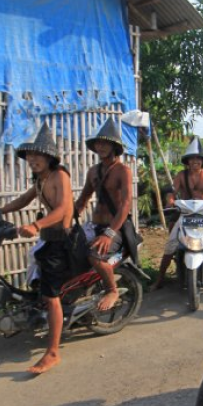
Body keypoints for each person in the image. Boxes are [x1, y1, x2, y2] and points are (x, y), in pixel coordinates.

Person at [0, 122, 74, 374]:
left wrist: (35, 224)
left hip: (62, 241)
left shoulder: (59, 176)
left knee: (51, 295)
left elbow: (63, 209)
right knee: (37, 281)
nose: (32, 159)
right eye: (29, 155)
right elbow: (23, 200)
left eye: (36, 155)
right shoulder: (40, 179)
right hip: (48, 238)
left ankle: (53, 353)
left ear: (49, 156)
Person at [151, 136, 203, 290]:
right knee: (170, 246)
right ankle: (160, 279)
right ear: (187, 161)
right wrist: (170, 199)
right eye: (192, 159)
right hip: (185, 213)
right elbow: (172, 190)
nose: (195, 162)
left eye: (198, 159)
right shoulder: (181, 175)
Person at [75, 117, 133, 312]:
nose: (100, 146)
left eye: (105, 143)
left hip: (115, 227)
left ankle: (112, 290)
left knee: (95, 256)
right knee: (66, 249)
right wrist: (64, 221)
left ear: (114, 146)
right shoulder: (93, 171)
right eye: (98, 142)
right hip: (94, 225)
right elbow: (82, 200)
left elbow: (126, 205)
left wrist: (109, 233)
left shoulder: (123, 171)